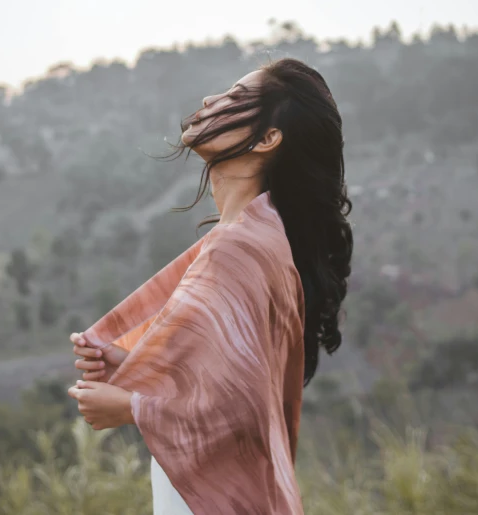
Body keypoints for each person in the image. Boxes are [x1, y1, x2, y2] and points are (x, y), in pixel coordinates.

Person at [68, 57, 353, 514]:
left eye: (236, 98)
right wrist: (130, 364)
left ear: (266, 139)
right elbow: (220, 377)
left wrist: (129, 408)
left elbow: (243, 408)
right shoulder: (260, 239)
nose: (209, 100)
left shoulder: (238, 248)